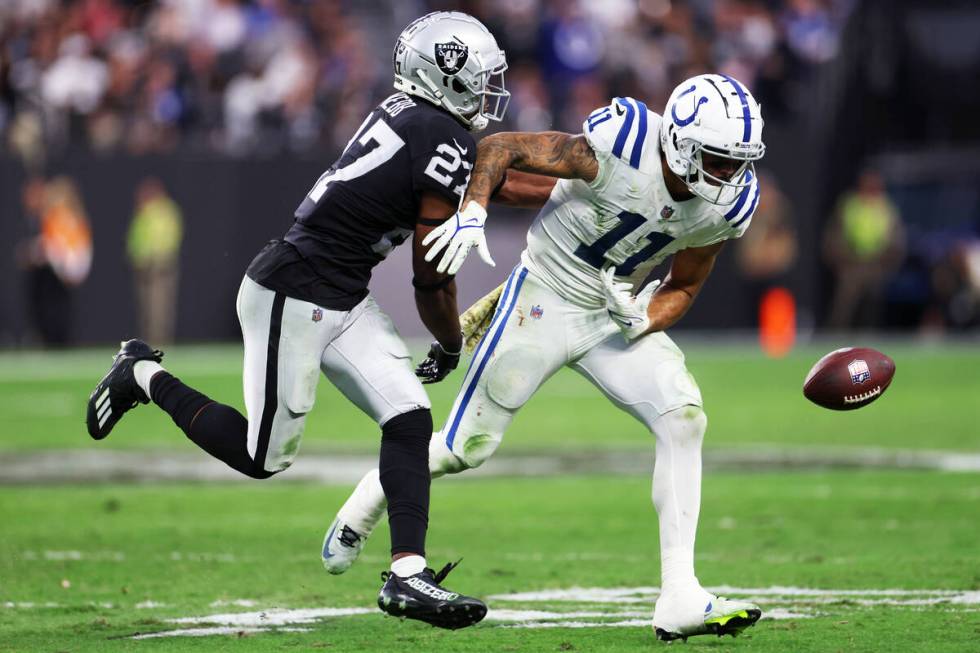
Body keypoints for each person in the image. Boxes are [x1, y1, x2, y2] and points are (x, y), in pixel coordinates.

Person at [85, 11, 516, 630]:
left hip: (339, 290)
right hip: (294, 289)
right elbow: (430, 275)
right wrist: (450, 341)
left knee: (409, 418)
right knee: (263, 457)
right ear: (442, 75)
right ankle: (143, 374)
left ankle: (406, 575)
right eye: (478, 77)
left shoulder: (416, 118)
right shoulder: (439, 135)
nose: (486, 92)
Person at [324, 74, 767, 642]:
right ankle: (366, 501)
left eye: (738, 162)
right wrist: (475, 210)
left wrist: (646, 317)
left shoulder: (729, 206)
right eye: (719, 160)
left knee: (684, 418)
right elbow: (500, 147)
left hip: (612, 312)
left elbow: (684, 284)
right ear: (679, 142)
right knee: (465, 448)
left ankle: (679, 594)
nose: (731, 175)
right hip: (544, 295)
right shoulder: (625, 140)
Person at [127, 178, 184, 344]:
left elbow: (170, 237)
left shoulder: (165, 211)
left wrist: (158, 257)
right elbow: (136, 239)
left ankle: (160, 342)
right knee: (146, 309)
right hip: (144, 268)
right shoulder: (143, 212)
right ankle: (149, 341)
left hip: (160, 268)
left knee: (159, 309)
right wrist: (138, 257)